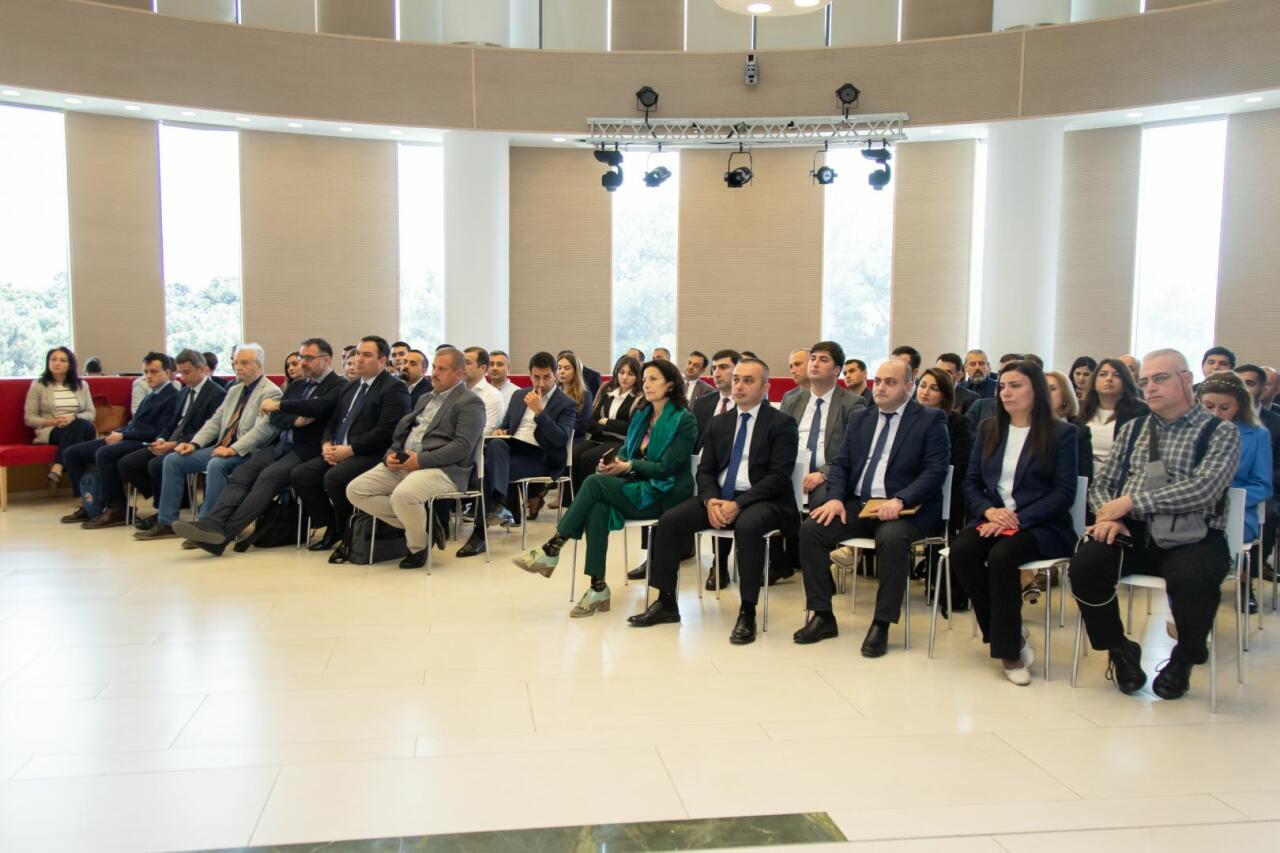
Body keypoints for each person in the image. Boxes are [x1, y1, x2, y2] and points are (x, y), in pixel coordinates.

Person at [1068, 349, 1239, 701]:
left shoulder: (1220, 432)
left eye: (1160, 378)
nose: (1151, 387)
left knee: (1194, 579)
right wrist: (1110, 516)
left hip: (1193, 535)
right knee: (1085, 566)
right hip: (1132, 531)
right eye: (1145, 381)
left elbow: (1204, 489)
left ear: (1186, 379)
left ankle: (1184, 658)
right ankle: (1119, 648)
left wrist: (1132, 502)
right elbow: (1102, 485)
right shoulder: (1133, 429)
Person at [627, 359, 799, 645]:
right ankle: (666, 602)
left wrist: (739, 504)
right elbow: (705, 470)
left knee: (747, 527)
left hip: (762, 498)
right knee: (669, 521)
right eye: (737, 379)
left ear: (765, 387)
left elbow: (778, 477)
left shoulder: (782, 424)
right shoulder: (720, 422)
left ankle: (747, 611)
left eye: (748, 381)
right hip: (719, 497)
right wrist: (709, 500)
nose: (739, 386)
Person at [516, 360, 699, 618]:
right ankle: (597, 587)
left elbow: (667, 468)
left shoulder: (684, 420)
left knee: (593, 482)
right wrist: (614, 464)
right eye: (645, 379)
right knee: (598, 508)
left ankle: (553, 546)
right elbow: (626, 452)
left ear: (670, 385)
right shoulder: (643, 415)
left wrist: (628, 466)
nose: (646, 384)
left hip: (666, 494)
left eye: (653, 379)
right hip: (639, 485)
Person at [793, 358, 950, 656]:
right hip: (860, 504)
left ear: (909, 386)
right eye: (878, 381)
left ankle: (882, 623)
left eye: (890, 382)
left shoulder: (930, 420)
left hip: (906, 509)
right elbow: (841, 464)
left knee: (891, 539)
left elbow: (935, 471)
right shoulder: (861, 418)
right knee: (812, 529)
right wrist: (835, 498)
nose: (880, 388)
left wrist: (901, 500)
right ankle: (823, 614)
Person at [949, 362, 1078, 685]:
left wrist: (1016, 519)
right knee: (962, 551)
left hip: (1040, 524)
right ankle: (1010, 634)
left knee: (1003, 556)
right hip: (993, 518)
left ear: (1036, 390)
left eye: (1016, 385)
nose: (1006, 392)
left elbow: (1063, 493)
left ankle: (1007, 651)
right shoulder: (989, 428)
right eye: (1003, 386)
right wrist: (990, 511)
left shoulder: (1062, 434)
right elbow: (971, 483)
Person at [172, 339, 345, 555]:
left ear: (327, 359)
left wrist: (280, 405)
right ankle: (212, 523)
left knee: (267, 478)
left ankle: (223, 535)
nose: (303, 362)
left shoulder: (338, 385)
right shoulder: (298, 385)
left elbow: (319, 407)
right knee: (242, 474)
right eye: (302, 357)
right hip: (279, 444)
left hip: (305, 450)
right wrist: (295, 420)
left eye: (309, 358)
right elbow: (275, 418)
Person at [345, 346, 486, 569]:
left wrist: (420, 460)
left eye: (442, 369)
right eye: (435, 368)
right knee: (356, 490)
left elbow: (462, 446)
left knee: (403, 496)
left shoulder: (470, 402)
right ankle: (425, 524)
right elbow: (401, 435)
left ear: (459, 374)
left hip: (444, 469)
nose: (434, 373)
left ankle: (418, 546)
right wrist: (390, 456)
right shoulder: (424, 398)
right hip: (405, 461)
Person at [136, 344, 282, 541]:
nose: (238, 367)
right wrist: (195, 444)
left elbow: (263, 430)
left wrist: (233, 449)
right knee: (173, 460)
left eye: (244, 363)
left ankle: (206, 526)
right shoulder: (234, 389)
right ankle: (167, 522)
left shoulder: (271, 391)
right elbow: (215, 421)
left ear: (259, 365)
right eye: (235, 363)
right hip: (221, 446)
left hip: (248, 451)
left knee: (216, 464)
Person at [291, 336, 411, 561]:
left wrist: (350, 450)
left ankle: (350, 533)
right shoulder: (351, 387)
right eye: (357, 354)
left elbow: (388, 431)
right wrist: (327, 443)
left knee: (335, 478)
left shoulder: (394, 388)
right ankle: (332, 526)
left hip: (372, 453)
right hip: (339, 450)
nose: (359, 359)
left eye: (367, 355)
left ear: (382, 361)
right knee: (302, 475)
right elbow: (333, 421)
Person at [455, 351, 578, 558]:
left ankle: (480, 533)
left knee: (488, 468)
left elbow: (560, 439)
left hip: (541, 457)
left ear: (555, 375)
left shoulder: (566, 403)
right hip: (513, 452)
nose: (541, 383)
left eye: (546, 377)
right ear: (530, 375)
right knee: (496, 445)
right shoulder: (519, 395)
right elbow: (506, 426)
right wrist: (500, 431)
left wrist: (540, 412)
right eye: (536, 377)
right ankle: (499, 506)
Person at [61, 352, 178, 528]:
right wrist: (118, 432)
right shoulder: (151, 394)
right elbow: (135, 424)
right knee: (72, 453)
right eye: (146, 372)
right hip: (129, 436)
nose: (148, 376)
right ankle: (89, 503)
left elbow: (155, 432)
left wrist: (123, 436)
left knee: (105, 453)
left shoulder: (172, 397)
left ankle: (116, 507)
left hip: (144, 442)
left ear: (167, 372)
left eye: (154, 372)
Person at [120, 350, 226, 530]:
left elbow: (209, 430)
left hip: (194, 444)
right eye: (180, 373)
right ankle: (165, 506)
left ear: (202, 369)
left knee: (157, 464)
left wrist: (176, 444)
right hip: (172, 441)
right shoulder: (184, 392)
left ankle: (164, 513)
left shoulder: (216, 394)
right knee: (129, 463)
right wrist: (162, 439)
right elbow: (172, 423)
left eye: (187, 372)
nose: (182, 377)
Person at [1199, 371, 1272, 612]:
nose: (1215, 414)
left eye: (1224, 408)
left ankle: (1240, 583)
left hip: (1236, 510)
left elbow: (1262, 485)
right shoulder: (1188, 430)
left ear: (1239, 405)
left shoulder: (1257, 434)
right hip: (1193, 505)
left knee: (1206, 540)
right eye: (1209, 406)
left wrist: (1227, 498)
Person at [906, 367, 973, 613]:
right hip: (908, 491)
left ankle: (941, 583)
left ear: (945, 394)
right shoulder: (906, 419)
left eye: (933, 388)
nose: (925, 392)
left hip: (945, 493)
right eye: (923, 385)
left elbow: (959, 466)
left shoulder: (958, 423)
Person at [779, 341, 866, 508]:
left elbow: (855, 450)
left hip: (828, 476)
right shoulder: (792, 401)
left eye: (823, 360)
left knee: (819, 501)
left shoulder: (852, 403)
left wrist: (823, 473)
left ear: (836, 370)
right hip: (791, 472)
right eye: (812, 358)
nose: (815, 363)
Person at [24, 346, 96, 486]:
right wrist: (53, 421)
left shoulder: (82, 385)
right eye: (53, 359)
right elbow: (29, 418)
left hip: (81, 426)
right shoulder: (38, 385)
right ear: (48, 362)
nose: (57, 363)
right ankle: (82, 492)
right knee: (79, 442)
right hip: (53, 430)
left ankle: (59, 464)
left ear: (70, 364)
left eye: (63, 360)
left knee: (79, 424)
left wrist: (73, 418)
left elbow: (91, 413)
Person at [572, 354, 643, 494]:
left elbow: (629, 428)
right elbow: (590, 423)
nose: (624, 377)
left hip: (620, 442)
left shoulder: (639, 398)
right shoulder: (608, 393)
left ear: (637, 377)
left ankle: (588, 496)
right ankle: (571, 498)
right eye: (621, 372)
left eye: (630, 374)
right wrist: (612, 426)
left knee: (589, 458)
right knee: (574, 454)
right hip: (598, 439)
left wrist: (606, 422)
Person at [1235, 364, 1280, 574]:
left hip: (1266, 487)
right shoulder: (1213, 424)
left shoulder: (1273, 425)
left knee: (1269, 512)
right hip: (1222, 491)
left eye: (1249, 383)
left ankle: (1250, 574)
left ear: (1263, 389)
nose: (1243, 388)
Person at [1078, 358, 1148, 479]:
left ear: (1126, 381)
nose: (1109, 379)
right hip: (1083, 476)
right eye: (1103, 374)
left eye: (1116, 375)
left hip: (1119, 477)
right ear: (1094, 381)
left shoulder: (1140, 411)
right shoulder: (1082, 409)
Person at [1046, 370, 1094, 479]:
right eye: (1041, 389)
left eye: (1052, 389)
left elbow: (1084, 476)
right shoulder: (1026, 426)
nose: (1045, 393)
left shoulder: (1080, 432)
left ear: (1065, 396)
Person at [965, 353, 1027, 431]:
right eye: (1001, 373)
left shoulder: (1038, 416)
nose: (1005, 377)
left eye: (1012, 371)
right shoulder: (981, 406)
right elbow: (964, 433)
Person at [462, 347, 505, 435]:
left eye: (467, 363)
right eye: (461, 363)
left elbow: (487, 431)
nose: (462, 367)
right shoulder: (456, 390)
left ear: (482, 368)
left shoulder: (493, 395)